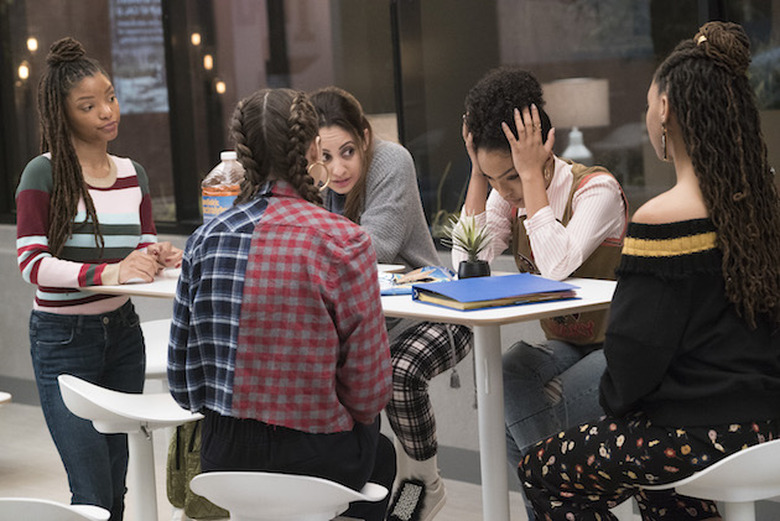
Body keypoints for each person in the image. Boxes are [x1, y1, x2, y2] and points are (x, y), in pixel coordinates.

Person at [519, 21, 780, 521]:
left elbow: (632, 354)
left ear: (664, 110)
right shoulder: (763, 214)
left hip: (697, 438)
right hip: (769, 428)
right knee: (656, 471)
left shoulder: (662, 219)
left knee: (542, 471)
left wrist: (621, 407)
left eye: (645, 104)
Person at [167, 88, 394, 521]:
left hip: (223, 460)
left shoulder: (203, 239)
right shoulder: (345, 241)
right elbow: (368, 395)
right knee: (379, 452)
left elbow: (183, 388)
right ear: (313, 149)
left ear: (243, 155)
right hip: (319, 460)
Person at [15, 37, 181, 520]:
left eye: (110, 97)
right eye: (88, 106)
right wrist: (110, 271)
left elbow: (142, 247)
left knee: (115, 485)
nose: (108, 111)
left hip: (123, 335)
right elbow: (32, 263)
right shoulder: (42, 173)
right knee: (90, 489)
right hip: (62, 339)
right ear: (64, 115)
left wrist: (159, 257)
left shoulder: (133, 174)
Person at [309, 86, 473, 521]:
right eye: (325, 157)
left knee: (397, 372)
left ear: (364, 137)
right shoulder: (313, 177)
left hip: (432, 310)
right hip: (366, 322)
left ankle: (423, 484)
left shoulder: (391, 160)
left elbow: (376, 246)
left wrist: (310, 237)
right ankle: (357, 490)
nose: (337, 168)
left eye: (347, 151)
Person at [458, 66, 627, 474]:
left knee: (521, 416)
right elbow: (467, 262)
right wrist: (478, 176)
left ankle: (557, 493)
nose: (505, 190)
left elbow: (554, 266)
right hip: (568, 344)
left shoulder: (596, 189)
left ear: (544, 151)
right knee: (505, 377)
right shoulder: (506, 195)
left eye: (512, 176)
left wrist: (531, 176)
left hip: (620, 344)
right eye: (494, 179)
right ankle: (559, 493)